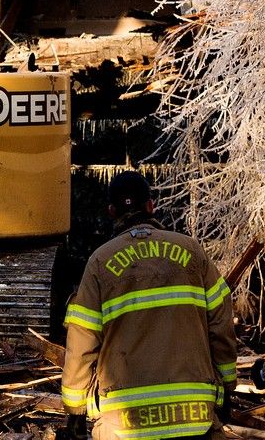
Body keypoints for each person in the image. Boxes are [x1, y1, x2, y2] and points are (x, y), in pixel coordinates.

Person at [61, 171, 237, 440]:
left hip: (123, 424)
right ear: (151, 206)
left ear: (111, 211)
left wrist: (74, 411)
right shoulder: (192, 252)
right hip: (193, 418)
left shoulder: (100, 262)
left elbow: (81, 340)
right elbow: (221, 324)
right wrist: (227, 384)